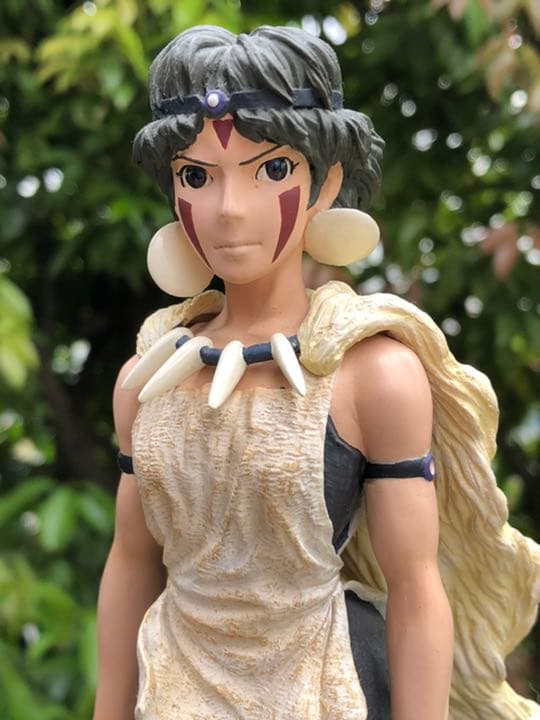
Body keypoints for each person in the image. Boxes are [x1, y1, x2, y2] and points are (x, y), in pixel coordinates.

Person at [93, 25, 540, 720]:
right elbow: (130, 562)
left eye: (271, 170)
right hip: (174, 688)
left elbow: (416, 587)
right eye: (196, 175)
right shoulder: (148, 378)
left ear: (324, 182)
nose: (229, 209)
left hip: (328, 688)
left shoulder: (374, 375)